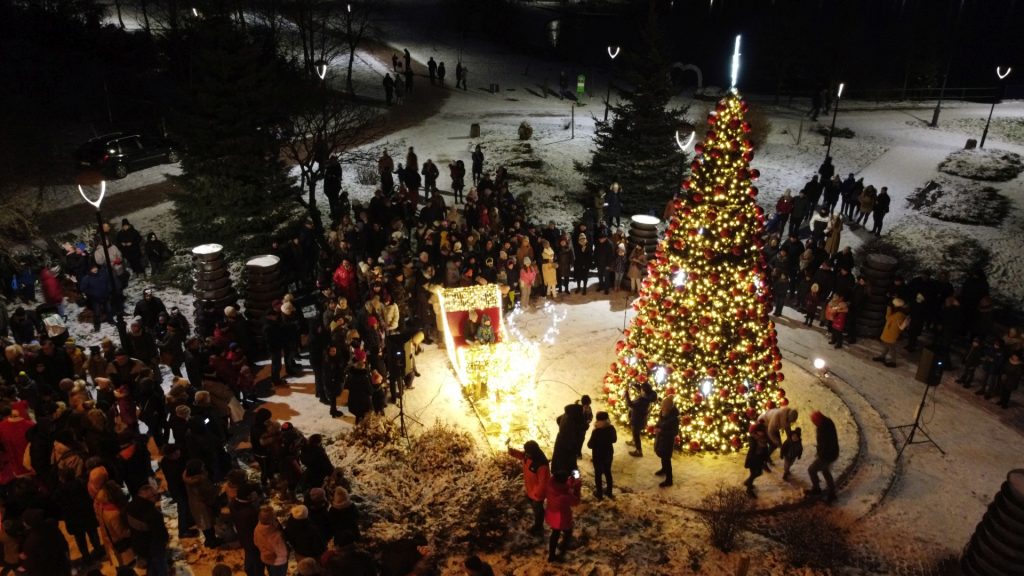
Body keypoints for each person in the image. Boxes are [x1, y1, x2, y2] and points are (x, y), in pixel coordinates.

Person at [507, 440, 550, 533]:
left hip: (537, 494)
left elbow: (544, 483)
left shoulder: (542, 465)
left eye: (528, 453)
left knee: (538, 509)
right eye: (526, 452)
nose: (526, 454)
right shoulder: (529, 455)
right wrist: (512, 451)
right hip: (531, 489)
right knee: (534, 507)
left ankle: (539, 527)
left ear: (533, 452)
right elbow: (522, 456)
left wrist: (537, 495)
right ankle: (537, 517)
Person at [544, 471, 581, 562]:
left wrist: (572, 480)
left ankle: (551, 555)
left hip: (552, 512)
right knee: (568, 532)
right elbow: (576, 501)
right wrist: (577, 487)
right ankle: (563, 547)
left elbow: (564, 485)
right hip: (562, 518)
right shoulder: (564, 496)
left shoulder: (551, 483)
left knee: (555, 533)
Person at [807, 411, 839, 503]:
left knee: (812, 470)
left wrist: (820, 454)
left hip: (827, 455)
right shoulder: (827, 423)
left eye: (814, 422)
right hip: (832, 453)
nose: (814, 424)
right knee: (825, 471)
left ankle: (817, 489)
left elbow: (825, 443)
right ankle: (832, 493)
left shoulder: (823, 428)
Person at [587, 411, 616, 500]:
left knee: (598, 474)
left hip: (598, 456)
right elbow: (614, 440)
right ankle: (609, 492)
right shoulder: (611, 428)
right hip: (608, 454)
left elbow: (590, 445)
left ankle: (599, 493)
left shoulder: (596, 431)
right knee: (608, 472)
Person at [254, 505, 290, 576]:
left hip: (265, 558)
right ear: (272, 519)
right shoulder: (276, 535)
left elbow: (256, 542)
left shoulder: (257, 528)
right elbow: (282, 552)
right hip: (278, 562)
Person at [653, 395, 679, 487]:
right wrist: (656, 427)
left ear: (668, 407)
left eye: (664, 406)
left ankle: (669, 480)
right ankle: (664, 469)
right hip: (661, 440)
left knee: (666, 459)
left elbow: (674, 432)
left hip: (667, 442)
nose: (662, 407)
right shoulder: (663, 413)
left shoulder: (674, 418)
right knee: (662, 457)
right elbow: (660, 422)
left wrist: (662, 431)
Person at [873, 298, 907, 366]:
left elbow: (888, 318)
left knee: (891, 347)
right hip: (890, 332)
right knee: (887, 345)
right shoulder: (899, 313)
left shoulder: (899, 314)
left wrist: (888, 309)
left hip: (892, 333)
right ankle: (882, 356)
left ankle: (893, 362)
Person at [626, 381, 656, 457]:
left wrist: (626, 395)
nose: (640, 390)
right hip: (640, 419)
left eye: (642, 390)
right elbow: (640, 388)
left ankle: (639, 451)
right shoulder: (648, 395)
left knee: (636, 434)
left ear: (644, 392)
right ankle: (633, 441)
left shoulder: (643, 401)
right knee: (635, 433)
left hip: (637, 420)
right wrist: (634, 384)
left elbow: (630, 404)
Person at [742, 422, 771, 498]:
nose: (762, 433)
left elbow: (765, 449)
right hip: (753, 460)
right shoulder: (753, 440)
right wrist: (749, 462)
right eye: (760, 431)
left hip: (759, 460)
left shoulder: (763, 439)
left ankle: (748, 482)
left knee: (758, 473)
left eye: (763, 431)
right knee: (754, 474)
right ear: (756, 432)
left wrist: (766, 458)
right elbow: (752, 451)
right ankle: (749, 489)